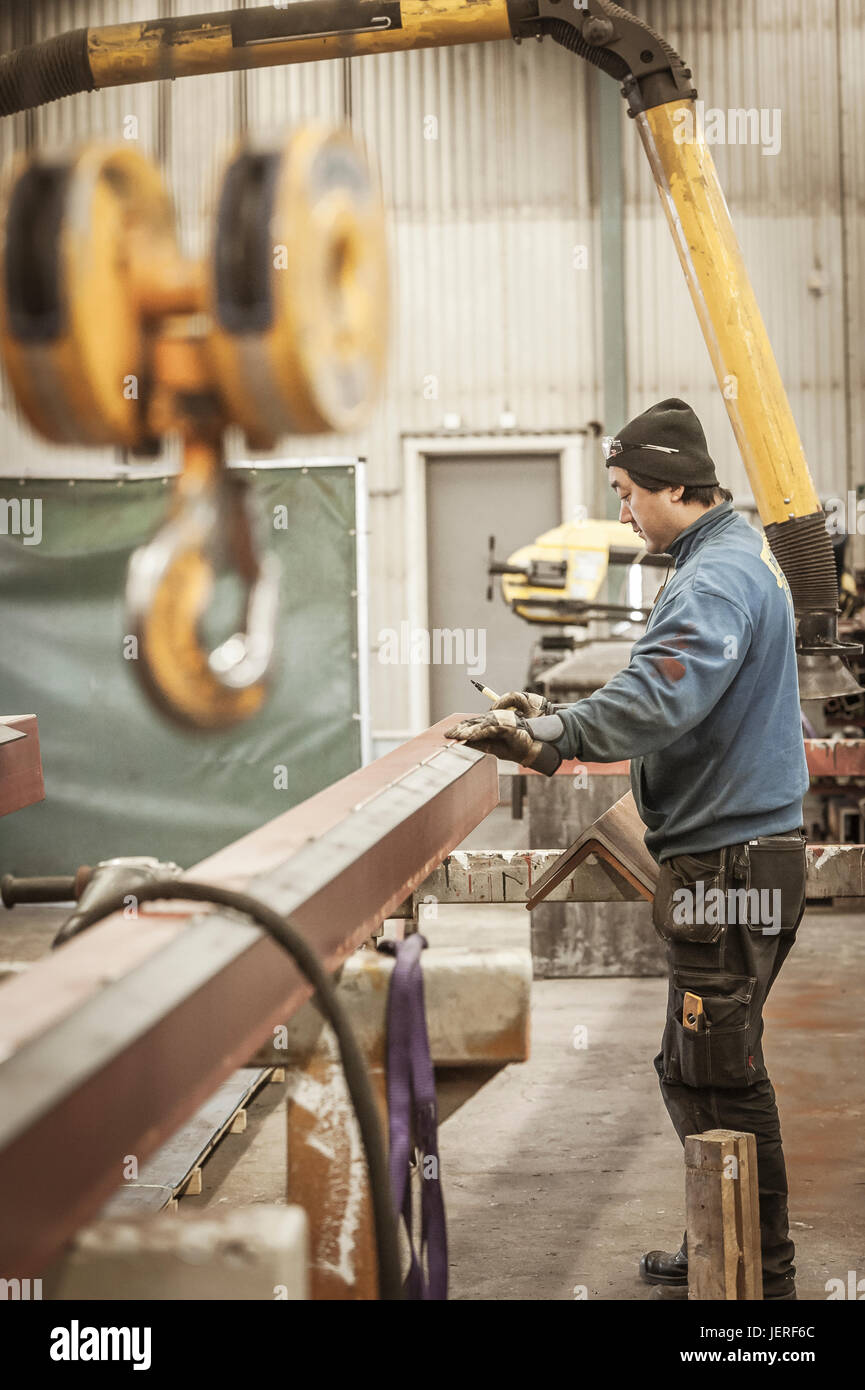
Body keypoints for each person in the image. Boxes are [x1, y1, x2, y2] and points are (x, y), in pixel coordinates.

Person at [445, 397, 808, 1300]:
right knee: (691, 1063)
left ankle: (759, 1277)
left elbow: (660, 699)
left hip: (731, 868)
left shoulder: (714, 576)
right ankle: (718, 1237)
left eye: (625, 493)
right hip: (734, 856)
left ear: (674, 486)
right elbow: (667, 685)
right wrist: (553, 714)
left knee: (721, 1073)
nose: (620, 513)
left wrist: (552, 737)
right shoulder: (720, 555)